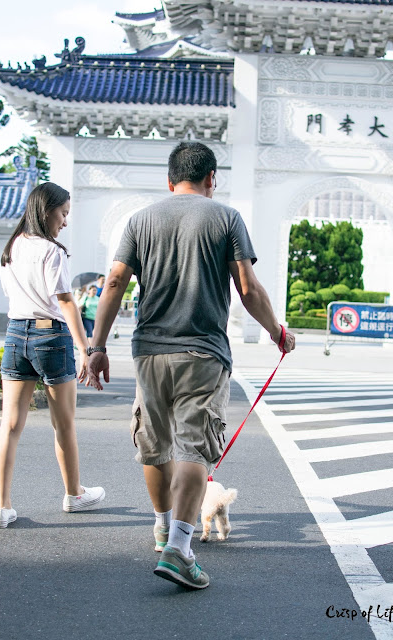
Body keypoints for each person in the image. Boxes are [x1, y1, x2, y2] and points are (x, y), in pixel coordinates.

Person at [87, 141, 296, 590]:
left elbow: (115, 283)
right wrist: (278, 333)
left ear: (169, 180)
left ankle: (163, 526)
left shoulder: (140, 220)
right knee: (193, 448)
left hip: (148, 353)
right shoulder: (225, 217)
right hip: (203, 353)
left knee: (154, 441)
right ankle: (180, 549)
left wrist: (96, 346)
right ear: (211, 180)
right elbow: (248, 288)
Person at [0, 182, 105, 529]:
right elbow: (66, 301)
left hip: (15, 334)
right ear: (46, 211)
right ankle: (74, 494)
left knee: (9, 426)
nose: (65, 221)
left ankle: (2, 507)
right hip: (50, 337)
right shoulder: (52, 250)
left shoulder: (11, 247)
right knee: (64, 424)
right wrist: (87, 349)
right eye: (64, 213)